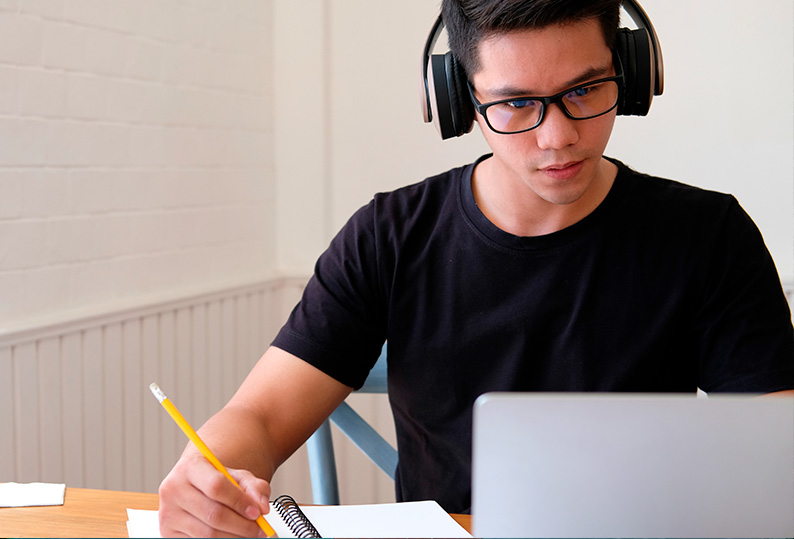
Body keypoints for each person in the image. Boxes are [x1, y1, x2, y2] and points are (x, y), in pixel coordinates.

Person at [158, 0, 794, 536]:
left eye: (583, 90)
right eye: (515, 103)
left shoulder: (710, 236)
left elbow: (777, 455)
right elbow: (260, 418)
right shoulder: (388, 237)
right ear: (459, 99)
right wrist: (207, 478)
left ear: (629, 76)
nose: (557, 137)